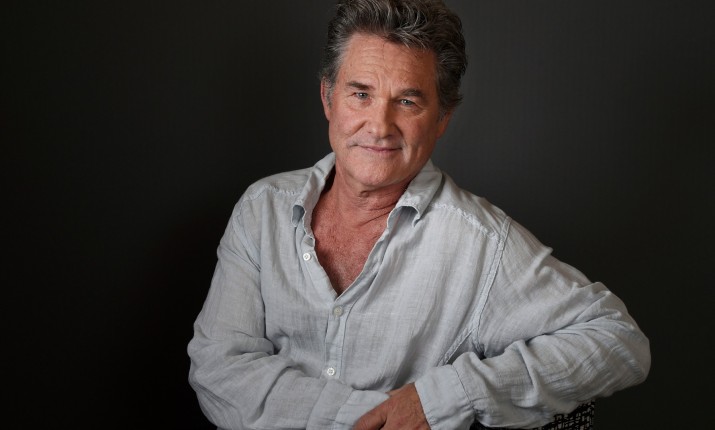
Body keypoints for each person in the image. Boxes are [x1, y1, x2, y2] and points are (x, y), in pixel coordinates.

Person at [187, 0, 651, 428]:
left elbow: (618, 341)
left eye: (407, 101)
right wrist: (374, 418)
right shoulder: (262, 209)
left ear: (442, 117)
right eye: (361, 94)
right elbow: (218, 369)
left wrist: (447, 398)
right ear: (328, 98)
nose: (379, 126)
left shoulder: (481, 244)